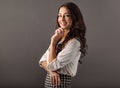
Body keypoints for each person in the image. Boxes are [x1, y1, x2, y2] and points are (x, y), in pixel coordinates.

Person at [39, 2, 87, 88]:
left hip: (61, 83)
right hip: (48, 82)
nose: (62, 19)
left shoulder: (74, 43)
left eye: (67, 15)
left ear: (74, 18)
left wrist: (53, 44)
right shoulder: (59, 38)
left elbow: (52, 66)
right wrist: (51, 72)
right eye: (60, 15)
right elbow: (42, 61)